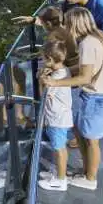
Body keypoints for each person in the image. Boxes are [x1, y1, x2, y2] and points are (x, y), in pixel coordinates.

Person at [43, 7, 103, 191]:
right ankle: (85, 172)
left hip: (97, 97)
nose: (66, 29)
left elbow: (85, 78)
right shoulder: (100, 37)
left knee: (92, 140)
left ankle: (90, 179)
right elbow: (88, 70)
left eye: (67, 24)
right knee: (83, 134)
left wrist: (54, 82)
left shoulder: (87, 44)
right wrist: (61, 73)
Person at [38, 39, 72, 191]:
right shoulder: (64, 70)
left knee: (59, 149)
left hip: (56, 119)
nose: (42, 61)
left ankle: (60, 180)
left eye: (43, 58)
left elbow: (43, 95)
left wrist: (41, 80)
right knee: (61, 147)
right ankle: (59, 172)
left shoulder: (55, 79)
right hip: (61, 117)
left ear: (50, 60)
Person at [12, 6, 79, 67]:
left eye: (42, 23)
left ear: (48, 24)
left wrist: (29, 56)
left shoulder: (53, 35)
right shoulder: (66, 28)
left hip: (68, 67)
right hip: (76, 62)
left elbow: (48, 54)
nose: (41, 25)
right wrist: (32, 20)